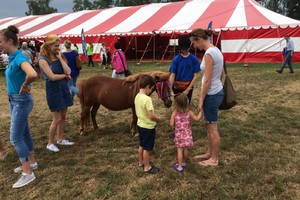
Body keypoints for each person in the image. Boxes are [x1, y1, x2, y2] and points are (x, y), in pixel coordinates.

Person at [0, 25, 38, 188]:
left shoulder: (19, 57)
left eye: (0, 41)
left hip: (20, 100)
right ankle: (32, 162)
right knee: (23, 132)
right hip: (14, 100)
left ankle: (27, 173)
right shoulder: (13, 57)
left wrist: (25, 85)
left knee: (15, 138)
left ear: (9, 41)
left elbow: (32, 73)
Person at [189, 28, 224, 167]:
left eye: (194, 43)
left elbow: (208, 80)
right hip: (215, 91)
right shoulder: (216, 50)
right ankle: (209, 153)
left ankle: (214, 159)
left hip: (211, 94)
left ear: (199, 39)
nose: (194, 46)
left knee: (212, 128)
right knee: (209, 126)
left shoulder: (209, 54)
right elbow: (219, 74)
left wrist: (202, 99)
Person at [38, 34, 74, 153]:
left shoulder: (60, 56)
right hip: (53, 90)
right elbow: (52, 77)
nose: (58, 48)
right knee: (57, 118)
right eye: (56, 46)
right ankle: (50, 143)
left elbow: (68, 70)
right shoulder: (43, 59)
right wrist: (65, 76)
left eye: (59, 45)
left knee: (63, 116)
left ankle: (61, 138)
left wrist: (59, 58)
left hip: (63, 87)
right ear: (48, 45)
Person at [135, 75, 162, 173]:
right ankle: (147, 167)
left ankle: (140, 162)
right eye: (151, 89)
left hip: (140, 125)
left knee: (141, 145)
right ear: (147, 86)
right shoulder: (147, 99)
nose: (151, 91)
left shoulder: (137, 96)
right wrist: (158, 119)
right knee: (147, 148)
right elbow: (151, 115)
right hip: (148, 127)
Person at [170, 93, 202, 172]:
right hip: (187, 135)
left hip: (179, 135)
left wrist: (173, 129)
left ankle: (180, 166)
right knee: (185, 148)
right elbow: (197, 119)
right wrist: (201, 111)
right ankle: (184, 162)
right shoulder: (189, 112)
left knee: (179, 150)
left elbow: (171, 124)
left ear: (176, 103)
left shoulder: (174, 113)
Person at [169, 34, 200, 103]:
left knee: (186, 106)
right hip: (176, 87)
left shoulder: (194, 59)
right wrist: (170, 88)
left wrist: (188, 89)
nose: (184, 50)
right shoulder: (176, 59)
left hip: (188, 86)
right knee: (178, 106)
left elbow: (196, 75)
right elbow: (172, 74)